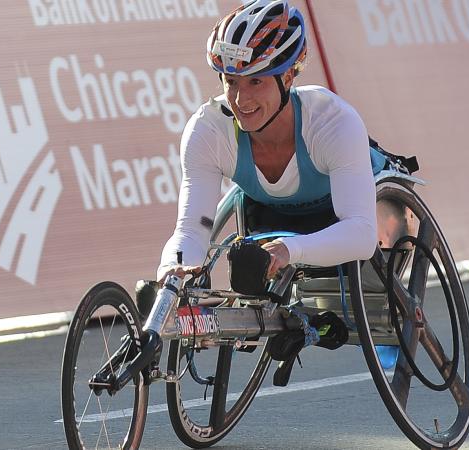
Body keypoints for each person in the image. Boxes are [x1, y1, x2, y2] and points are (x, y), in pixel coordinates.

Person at [157, 0, 388, 284]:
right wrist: (173, 268)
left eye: (256, 82)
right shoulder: (208, 130)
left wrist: (289, 249)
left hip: (350, 209)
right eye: (231, 82)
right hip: (273, 215)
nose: (241, 100)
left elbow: (362, 234)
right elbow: (192, 230)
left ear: (288, 76)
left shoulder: (332, 122)